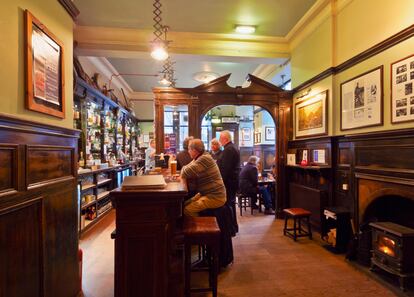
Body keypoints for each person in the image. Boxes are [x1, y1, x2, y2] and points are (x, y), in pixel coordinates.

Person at [181, 139, 227, 217]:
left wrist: (184, 170)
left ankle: (201, 227)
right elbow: (185, 168)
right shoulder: (201, 157)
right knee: (185, 204)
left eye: (189, 149)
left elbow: (185, 171)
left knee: (187, 210)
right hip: (207, 194)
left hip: (216, 197)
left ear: (194, 150)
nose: (188, 152)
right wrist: (184, 169)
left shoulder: (204, 159)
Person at [217, 130, 240, 232]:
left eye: (220, 138)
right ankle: (233, 227)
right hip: (232, 181)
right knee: (230, 204)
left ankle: (231, 228)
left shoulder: (229, 149)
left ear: (225, 139)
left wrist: (219, 183)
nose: (219, 141)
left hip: (228, 182)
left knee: (228, 205)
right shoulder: (231, 147)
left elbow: (225, 169)